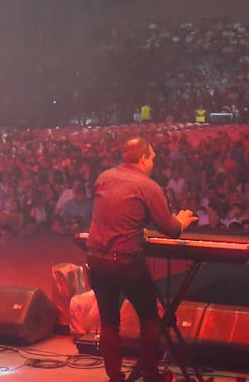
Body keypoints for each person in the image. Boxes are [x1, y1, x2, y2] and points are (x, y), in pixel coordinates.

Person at [85, 137, 197, 382]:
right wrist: (183, 221)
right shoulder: (147, 185)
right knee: (149, 317)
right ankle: (150, 375)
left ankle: (115, 377)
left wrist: (137, 226)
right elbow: (170, 228)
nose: (153, 164)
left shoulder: (103, 177)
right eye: (153, 158)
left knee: (109, 321)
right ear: (144, 158)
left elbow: (115, 212)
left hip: (95, 258)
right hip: (125, 261)